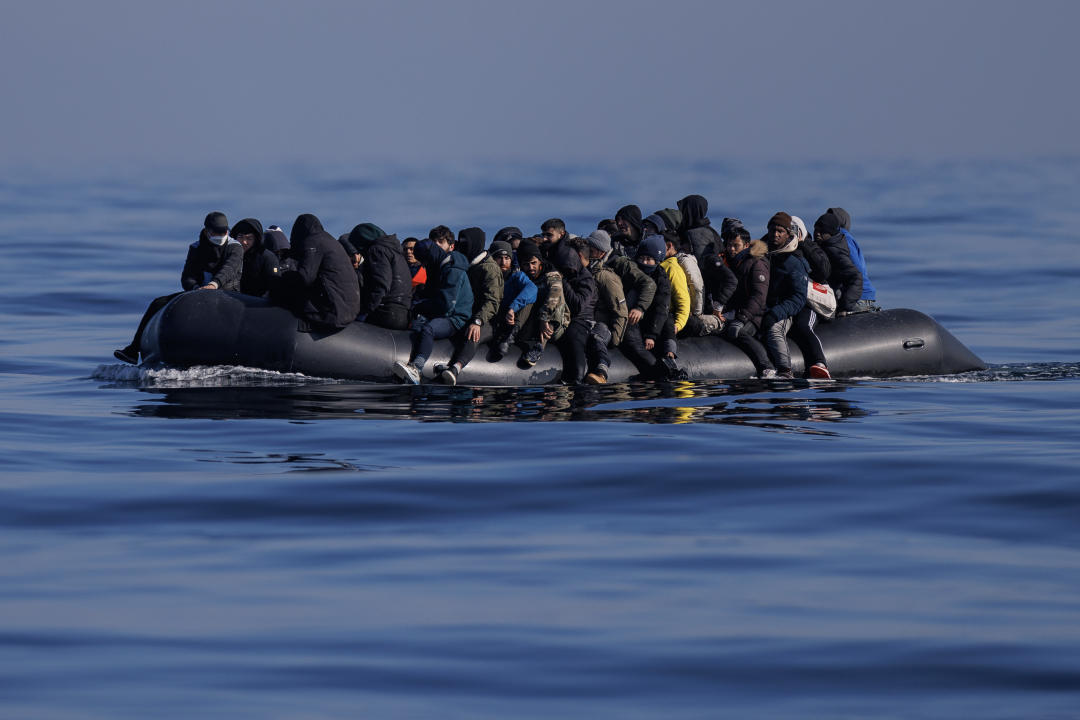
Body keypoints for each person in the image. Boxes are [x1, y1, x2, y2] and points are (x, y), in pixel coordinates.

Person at [113, 211, 243, 364]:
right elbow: (187, 276)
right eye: (216, 232)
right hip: (198, 293)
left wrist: (213, 285)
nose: (220, 235)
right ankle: (133, 349)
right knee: (158, 302)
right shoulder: (196, 248)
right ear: (207, 232)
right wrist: (195, 288)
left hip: (228, 293)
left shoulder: (235, 247)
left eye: (224, 232)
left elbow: (229, 269)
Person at [393, 239, 473, 384]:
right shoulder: (439, 267)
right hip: (443, 313)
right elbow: (430, 293)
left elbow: (446, 305)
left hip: (457, 318)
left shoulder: (453, 270)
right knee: (417, 326)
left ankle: (417, 368)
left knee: (428, 329)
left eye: (425, 260)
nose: (424, 264)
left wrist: (422, 307)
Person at [271, 213, 361, 333]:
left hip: (333, 313)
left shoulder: (313, 241)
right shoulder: (330, 241)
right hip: (348, 311)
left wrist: (282, 279)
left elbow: (305, 277)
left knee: (284, 294)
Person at [434, 227, 500, 384]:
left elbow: (493, 301)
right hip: (467, 314)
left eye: (465, 243)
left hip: (489, 320)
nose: (462, 247)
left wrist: (478, 321)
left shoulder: (490, 269)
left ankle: (456, 368)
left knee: (472, 335)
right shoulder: (467, 265)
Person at [622, 234, 681, 380]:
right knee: (633, 343)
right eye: (642, 258)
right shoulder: (632, 272)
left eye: (649, 259)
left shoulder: (661, 278)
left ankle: (670, 355)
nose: (644, 262)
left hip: (652, 318)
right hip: (634, 317)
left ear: (658, 260)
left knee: (667, 319)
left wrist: (651, 335)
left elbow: (661, 308)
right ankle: (655, 371)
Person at [760, 213, 809, 379]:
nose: (775, 234)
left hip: (782, 310)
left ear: (788, 234)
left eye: (780, 231)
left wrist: (776, 313)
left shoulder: (793, 261)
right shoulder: (760, 253)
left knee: (774, 330)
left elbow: (799, 297)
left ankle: (785, 371)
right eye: (773, 230)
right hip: (761, 306)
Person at [721, 227, 774, 377]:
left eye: (735, 246)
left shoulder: (757, 263)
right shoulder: (733, 263)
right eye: (729, 245)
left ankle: (766, 366)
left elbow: (759, 296)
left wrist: (742, 319)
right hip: (738, 312)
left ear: (746, 245)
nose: (731, 249)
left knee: (739, 332)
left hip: (756, 315)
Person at [579, 231, 628, 384]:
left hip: (603, 325)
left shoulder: (606, 277)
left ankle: (601, 372)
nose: (587, 250)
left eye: (591, 248)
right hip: (587, 322)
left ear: (600, 252)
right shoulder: (585, 273)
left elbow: (621, 311)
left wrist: (615, 340)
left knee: (596, 337)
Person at [347, 223, 413, 330]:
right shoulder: (395, 251)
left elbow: (380, 284)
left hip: (386, 312)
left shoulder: (377, 250)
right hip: (403, 312)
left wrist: (366, 310)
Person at [515, 239, 570, 368]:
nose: (531, 268)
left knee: (556, 296)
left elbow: (555, 294)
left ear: (540, 261)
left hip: (554, 323)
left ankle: (539, 347)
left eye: (534, 263)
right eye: (526, 264)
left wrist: (544, 318)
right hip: (531, 321)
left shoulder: (552, 275)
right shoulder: (521, 277)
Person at [789, 216, 832, 379]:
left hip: (810, 303)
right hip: (788, 301)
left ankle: (820, 362)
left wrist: (803, 243)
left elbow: (823, 272)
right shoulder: (776, 247)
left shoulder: (811, 247)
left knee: (804, 325)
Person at [550, 240, 597, 384]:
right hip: (562, 317)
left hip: (581, 320)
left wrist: (562, 282)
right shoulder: (560, 272)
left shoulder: (586, 279)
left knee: (573, 338)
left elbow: (578, 306)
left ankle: (577, 378)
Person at [814, 212, 878, 315]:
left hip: (859, 298)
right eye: (816, 229)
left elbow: (856, 275)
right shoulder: (828, 244)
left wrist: (844, 307)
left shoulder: (842, 242)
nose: (817, 233)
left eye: (822, 230)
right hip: (854, 294)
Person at [486, 241, 538, 361]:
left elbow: (532, 289)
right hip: (491, 319)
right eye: (499, 258)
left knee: (529, 299)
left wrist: (513, 308)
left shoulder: (517, 276)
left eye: (507, 258)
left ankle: (510, 337)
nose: (503, 262)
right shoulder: (486, 275)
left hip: (511, 321)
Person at [233, 217, 279, 297]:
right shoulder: (231, 254)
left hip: (258, 304)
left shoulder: (267, 257)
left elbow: (274, 284)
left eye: (249, 238)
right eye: (240, 237)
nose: (244, 242)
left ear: (256, 239)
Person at [676, 194, 724, 260]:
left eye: (683, 210)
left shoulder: (697, 234)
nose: (680, 214)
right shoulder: (711, 232)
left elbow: (702, 262)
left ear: (691, 211)